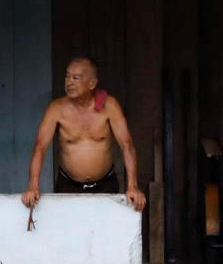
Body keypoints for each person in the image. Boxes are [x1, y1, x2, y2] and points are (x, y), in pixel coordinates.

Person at [20, 56, 147, 212]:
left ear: (92, 83)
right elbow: (40, 147)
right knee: (70, 234)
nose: (69, 82)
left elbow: (127, 145)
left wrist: (132, 186)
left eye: (76, 78)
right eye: (67, 76)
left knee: (105, 233)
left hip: (105, 185)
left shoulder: (110, 105)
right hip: (68, 185)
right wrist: (33, 186)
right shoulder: (56, 109)